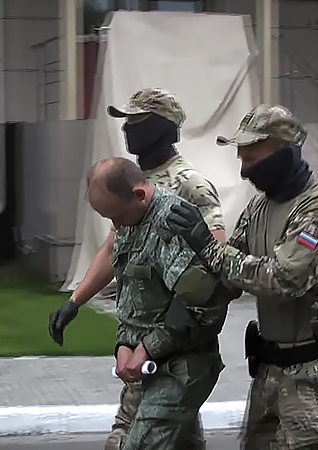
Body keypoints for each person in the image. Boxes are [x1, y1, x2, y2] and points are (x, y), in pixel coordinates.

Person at [166, 104, 318, 450]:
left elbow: (283, 279)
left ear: (285, 154)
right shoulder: (258, 208)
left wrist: (209, 247)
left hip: (315, 377)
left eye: (252, 159)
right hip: (269, 371)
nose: (244, 171)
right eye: (241, 159)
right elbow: (226, 277)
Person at [47, 88, 227, 450]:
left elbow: (214, 262)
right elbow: (113, 248)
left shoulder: (188, 185)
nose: (127, 128)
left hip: (175, 347)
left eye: (136, 121)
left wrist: (156, 340)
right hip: (145, 347)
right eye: (126, 121)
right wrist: (76, 301)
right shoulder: (128, 180)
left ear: (162, 127)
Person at [85, 157, 228, 450]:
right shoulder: (131, 221)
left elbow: (201, 306)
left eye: (117, 215)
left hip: (182, 365)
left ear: (138, 195)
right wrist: (124, 343)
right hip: (149, 365)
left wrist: (146, 348)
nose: (115, 226)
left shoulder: (171, 223)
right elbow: (132, 296)